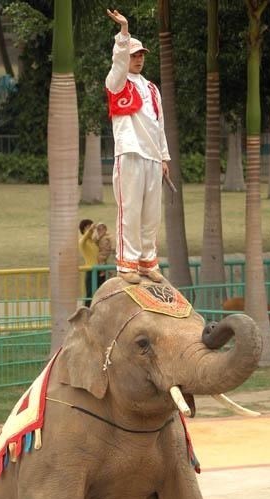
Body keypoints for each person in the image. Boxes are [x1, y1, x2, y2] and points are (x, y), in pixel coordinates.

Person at [105, 8, 170, 284]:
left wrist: (164, 157)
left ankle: (148, 261)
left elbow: (159, 125)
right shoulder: (117, 83)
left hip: (153, 157)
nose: (138, 59)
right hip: (130, 153)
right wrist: (124, 33)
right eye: (134, 55)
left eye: (141, 55)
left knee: (151, 214)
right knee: (129, 210)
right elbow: (118, 63)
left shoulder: (152, 89)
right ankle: (126, 265)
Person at [78, 219, 99, 307]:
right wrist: (91, 229)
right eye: (87, 227)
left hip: (99, 271)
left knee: (99, 295)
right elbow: (85, 237)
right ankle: (86, 316)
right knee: (90, 296)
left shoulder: (94, 243)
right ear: (83, 230)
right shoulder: (82, 242)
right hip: (90, 271)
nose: (90, 229)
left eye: (90, 227)